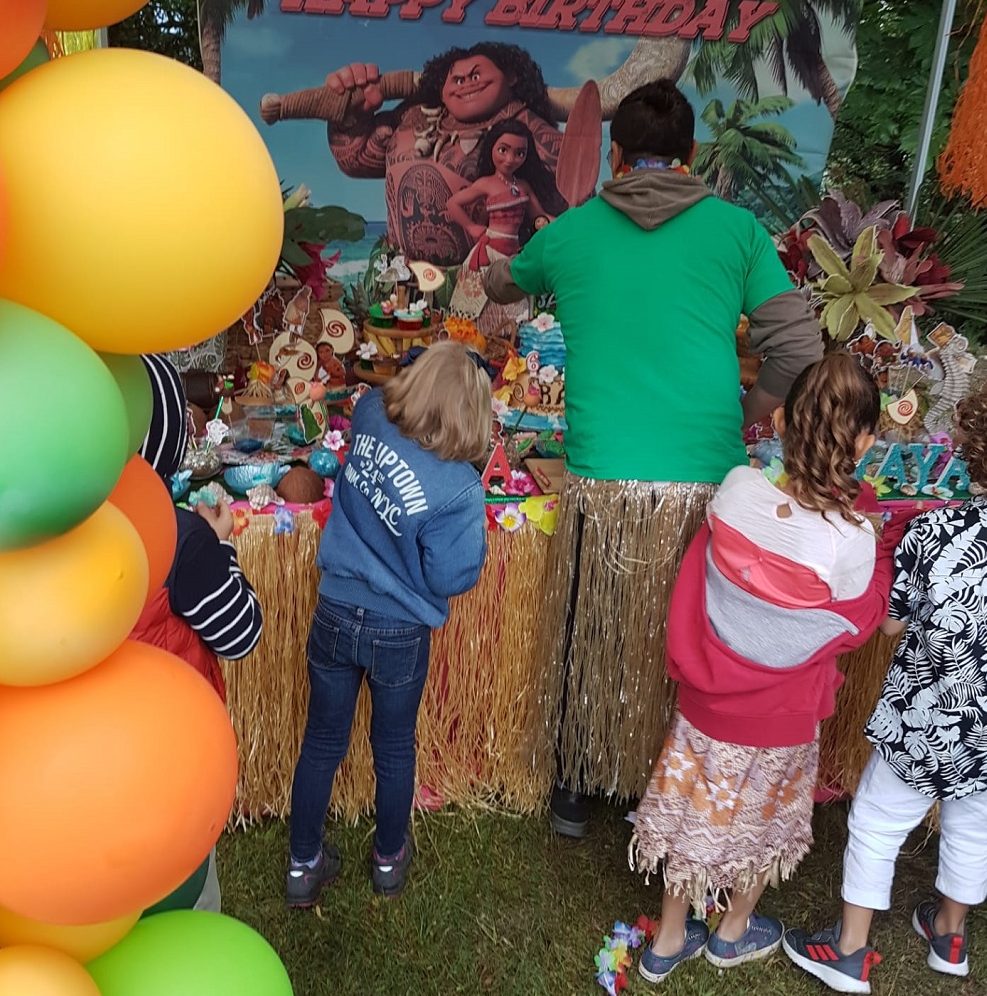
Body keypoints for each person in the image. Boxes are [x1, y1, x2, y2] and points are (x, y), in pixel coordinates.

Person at [482, 78, 824, 835]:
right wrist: (750, 410)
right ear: (691, 155)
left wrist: (503, 267)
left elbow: (501, 278)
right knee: (688, 632)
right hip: (708, 480)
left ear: (614, 153)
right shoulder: (736, 231)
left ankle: (577, 784)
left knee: (593, 629)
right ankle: (661, 777)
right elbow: (799, 345)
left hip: (606, 480)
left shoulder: (571, 233)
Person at [630, 353, 903, 983]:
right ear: (862, 441)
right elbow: (860, 624)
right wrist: (876, 535)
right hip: (782, 716)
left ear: (782, 422)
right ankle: (731, 931)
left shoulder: (736, 492)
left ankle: (669, 939)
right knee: (767, 818)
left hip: (707, 701)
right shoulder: (852, 542)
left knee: (693, 808)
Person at [783, 386, 987, 994]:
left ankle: (848, 950)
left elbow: (893, 622)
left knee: (875, 818)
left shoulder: (939, 532)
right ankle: (949, 936)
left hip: (930, 714)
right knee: (976, 824)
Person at [286, 341, 491, 907]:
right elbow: (452, 576)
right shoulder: (459, 489)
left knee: (322, 740)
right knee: (395, 747)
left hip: (334, 606)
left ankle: (303, 864)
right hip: (398, 629)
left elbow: (387, 387)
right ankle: (387, 860)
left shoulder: (373, 413)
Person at [131, 353, 263, 912]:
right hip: (167, 748)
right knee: (180, 892)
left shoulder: (53, 538)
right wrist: (222, 546)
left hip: (79, 757)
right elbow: (240, 632)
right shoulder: (180, 538)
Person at [261, 42, 564, 266]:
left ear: (510, 76)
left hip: (488, 277)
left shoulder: (534, 132)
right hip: (399, 276)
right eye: (456, 79)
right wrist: (352, 114)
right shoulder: (414, 116)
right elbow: (355, 160)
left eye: (475, 75)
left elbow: (564, 204)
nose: (465, 85)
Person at [447, 118, 556, 334]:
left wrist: (559, 222)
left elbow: (538, 214)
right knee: (480, 307)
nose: (510, 159)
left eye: (519, 153)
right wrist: (470, 227)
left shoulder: (523, 186)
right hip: (488, 253)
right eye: (503, 150)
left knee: (513, 307)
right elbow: (453, 203)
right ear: (492, 149)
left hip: (512, 253)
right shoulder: (486, 184)